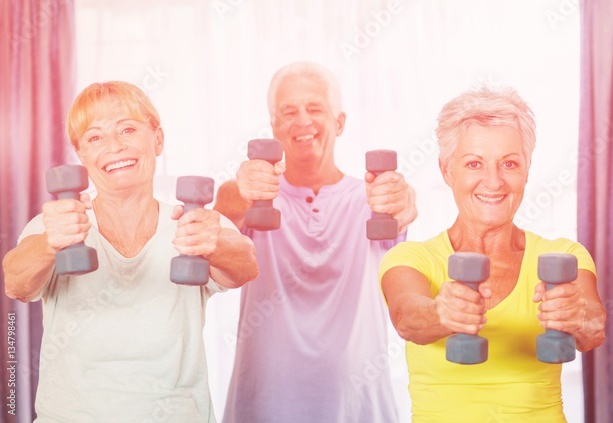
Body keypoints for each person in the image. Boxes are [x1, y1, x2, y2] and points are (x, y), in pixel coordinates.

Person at [2, 81, 257, 421]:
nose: (114, 147)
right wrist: (51, 240)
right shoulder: (57, 225)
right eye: (95, 137)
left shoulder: (193, 223)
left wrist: (218, 243)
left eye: (127, 129)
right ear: (81, 155)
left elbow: (246, 267)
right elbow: (16, 282)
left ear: (158, 139)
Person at [378, 86, 606, 422]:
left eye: (509, 163)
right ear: (446, 170)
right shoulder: (411, 258)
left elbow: (593, 327)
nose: (493, 181)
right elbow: (407, 318)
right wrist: (441, 312)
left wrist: (577, 314)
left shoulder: (563, 255)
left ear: (527, 168)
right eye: (474, 163)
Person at [215, 62, 416, 422]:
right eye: (288, 112)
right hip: (263, 408)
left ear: (340, 122)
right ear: (274, 126)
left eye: (315, 108)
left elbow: (403, 211)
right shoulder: (253, 201)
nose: (302, 121)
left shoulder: (373, 200)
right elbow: (221, 215)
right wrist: (238, 188)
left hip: (358, 409)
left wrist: (403, 197)